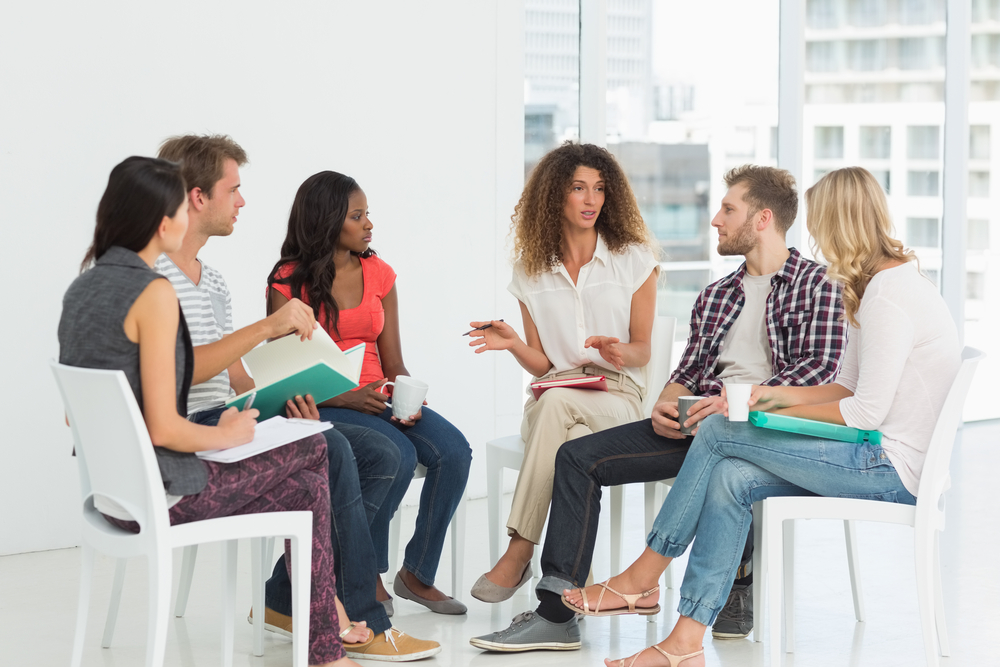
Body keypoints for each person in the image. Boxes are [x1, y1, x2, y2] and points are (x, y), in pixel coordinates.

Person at [562, 166, 962, 667]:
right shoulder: (873, 287)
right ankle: (684, 644)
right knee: (731, 475)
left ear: (843, 224)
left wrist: (744, 404)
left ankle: (643, 577)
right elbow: (841, 386)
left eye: (822, 226)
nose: (815, 237)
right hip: (874, 452)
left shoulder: (889, 296)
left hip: (891, 468)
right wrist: (749, 399)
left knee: (717, 431)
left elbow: (864, 411)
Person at [471, 164, 846, 651]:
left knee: (727, 461)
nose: (715, 220)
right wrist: (666, 407)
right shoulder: (716, 296)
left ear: (762, 219)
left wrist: (735, 403)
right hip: (701, 424)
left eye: (728, 209)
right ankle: (557, 611)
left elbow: (819, 371)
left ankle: (734, 577)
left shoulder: (817, 285)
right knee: (576, 458)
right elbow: (686, 372)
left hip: (769, 429)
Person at [58, 156, 360, 667]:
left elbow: (78, 417)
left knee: (307, 489)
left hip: (109, 497)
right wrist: (229, 432)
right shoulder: (152, 291)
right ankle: (326, 646)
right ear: (163, 221)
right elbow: (162, 424)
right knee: (311, 445)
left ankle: (325, 649)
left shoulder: (82, 288)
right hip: (161, 496)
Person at [153, 135, 437, 661]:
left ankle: (302, 599)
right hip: (199, 428)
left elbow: (235, 375)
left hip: (233, 411)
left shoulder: (209, 277)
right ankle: (359, 619)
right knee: (335, 450)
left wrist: (282, 398)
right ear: (197, 196)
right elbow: (183, 371)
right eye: (233, 190)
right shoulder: (155, 277)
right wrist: (269, 327)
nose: (242, 202)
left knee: (377, 451)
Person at [267, 170, 473, 616]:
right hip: (320, 403)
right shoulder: (288, 280)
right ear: (327, 221)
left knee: (454, 451)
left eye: (368, 215)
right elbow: (283, 374)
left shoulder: (380, 273)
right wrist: (346, 397)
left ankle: (417, 572)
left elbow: (394, 362)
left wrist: (407, 399)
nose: (369, 224)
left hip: (377, 396)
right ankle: (368, 574)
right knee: (393, 452)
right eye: (357, 216)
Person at [467, 142, 659, 603]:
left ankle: (519, 549)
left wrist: (617, 351)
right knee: (563, 425)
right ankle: (566, 590)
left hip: (617, 395)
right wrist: (514, 344)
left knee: (554, 404)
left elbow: (644, 350)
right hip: (557, 394)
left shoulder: (634, 259)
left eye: (598, 189)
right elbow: (543, 362)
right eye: (578, 188)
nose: (591, 199)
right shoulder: (530, 271)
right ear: (556, 196)